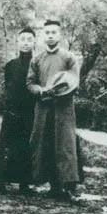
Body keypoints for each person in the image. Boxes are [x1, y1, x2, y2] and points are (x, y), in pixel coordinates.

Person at [26, 20, 81, 203]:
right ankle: (51, 185)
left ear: (60, 35)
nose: (50, 35)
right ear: (43, 35)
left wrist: (59, 90)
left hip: (63, 108)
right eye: (47, 32)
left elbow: (74, 81)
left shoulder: (69, 57)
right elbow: (30, 83)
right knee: (43, 142)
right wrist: (41, 90)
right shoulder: (37, 59)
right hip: (43, 108)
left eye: (53, 32)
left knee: (65, 144)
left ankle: (68, 187)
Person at [0, 27, 37, 196]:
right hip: (11, 112)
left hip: (30, 112)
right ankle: (0, 182)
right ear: (18, 42)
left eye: (29, 39)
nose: (26, 42)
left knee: (26, 146)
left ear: (34, 42)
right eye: (23, 39)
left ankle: (24, 184)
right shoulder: (11, 65)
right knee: (6, 146)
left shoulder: (37, 64)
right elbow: (8, 88)